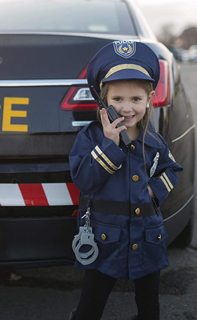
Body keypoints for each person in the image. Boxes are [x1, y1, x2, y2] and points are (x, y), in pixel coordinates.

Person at [68, 41, 183, 320]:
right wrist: (110, 145)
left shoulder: (153, 139)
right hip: (105, 238)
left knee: (149, 308)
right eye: (117, 100)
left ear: (150, 99)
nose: (127, 108)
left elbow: (172, 169)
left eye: (135, 99)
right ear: (104, 102)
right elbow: (84, 180)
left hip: (148, 236)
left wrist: (153, 190)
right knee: (89, 308)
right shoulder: (92, 137)